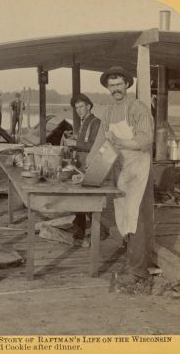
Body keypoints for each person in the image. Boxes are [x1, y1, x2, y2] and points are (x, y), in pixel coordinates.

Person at [87, 66, 154, 284]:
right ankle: (131, 264)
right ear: (108, 87)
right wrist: (89, 166)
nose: (115, 89)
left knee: (136, 218)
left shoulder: (137, 107)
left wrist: (121, 142)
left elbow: (145, 140)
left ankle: (138, 271)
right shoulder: (108, 112)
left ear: (126, 84)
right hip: (121, 170)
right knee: (124, 217)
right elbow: (99, 142)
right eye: (111, 85)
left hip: (138, 169)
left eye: (119, 84)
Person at [68, 93, 101, 245]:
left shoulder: (95, 122)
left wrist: (74, 143)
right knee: (78, 197)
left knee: (86, 198)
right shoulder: (83, 122)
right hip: (80, 163)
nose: (79, 110)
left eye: (82, 106)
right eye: (76, 108)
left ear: (89, 106)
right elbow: (83, 142)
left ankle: (92, 230)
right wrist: (75, 139)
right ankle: (80, 227)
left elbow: (94, 145)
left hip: (89, 163)